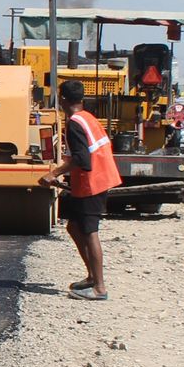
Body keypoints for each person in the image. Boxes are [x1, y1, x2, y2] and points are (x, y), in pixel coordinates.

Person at [41, 77, 122, 300]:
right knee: (74, 227)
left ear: (63, 100)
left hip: (92, 183)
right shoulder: (88, 118)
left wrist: (54, 173)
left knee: (89, 232)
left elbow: (82, 159)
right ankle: (91, 277)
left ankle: (99, 288)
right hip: (96, 179)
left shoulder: (75, 123)